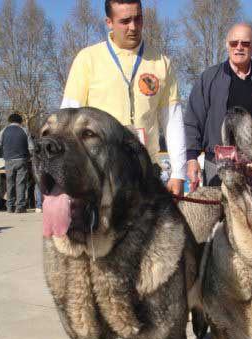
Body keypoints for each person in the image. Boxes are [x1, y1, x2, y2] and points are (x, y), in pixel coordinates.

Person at [61, 0, 186, 195]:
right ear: (109, 22)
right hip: (99, 174)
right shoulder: (87, 59)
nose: (133, 27)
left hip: (146, 173)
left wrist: (178, 173)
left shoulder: (162, 63)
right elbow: (66, 120)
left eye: (138, 19)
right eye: (125, 21)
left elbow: (173, 121)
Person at [185, 23, 252, 189]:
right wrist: (191, 157)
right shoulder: (208, 78)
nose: (239, 47)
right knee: (218, 212)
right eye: (233, 43)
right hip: (217, 164)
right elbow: (193, 120)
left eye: (245, 43)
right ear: (227, 45)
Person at [0, 113, 34, 213]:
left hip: (8, 160)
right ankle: (20, 206)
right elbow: (32, 147)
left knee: (10, 183)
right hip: (22, 159)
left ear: (9, 121)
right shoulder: (25, 130)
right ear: (20, 121)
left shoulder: (4, 130)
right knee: (21, 183)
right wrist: (30, 156)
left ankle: (10, 206)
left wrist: (5, 148)